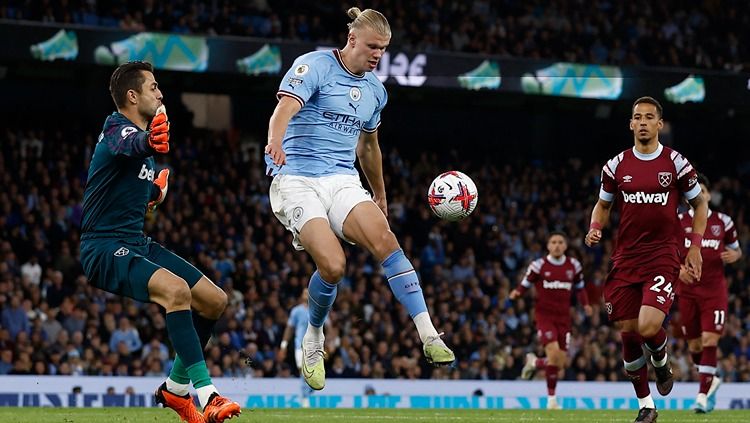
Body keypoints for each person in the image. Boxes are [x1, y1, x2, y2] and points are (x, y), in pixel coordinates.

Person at [265, 7, 454, 391]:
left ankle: (429, 334)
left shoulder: (375, 91)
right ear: (352, 39)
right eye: (372, 47)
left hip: (342, 180)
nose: (377, 55)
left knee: (386, 240)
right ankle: (314, 336)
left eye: (383, 49)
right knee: (334, 266)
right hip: (298, 178)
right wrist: (274, 141)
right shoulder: (314, 65)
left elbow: (369, 146)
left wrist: (380, 193)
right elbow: (285, 108)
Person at [79, 61, 241, 423]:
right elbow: (127, 144)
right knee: (177, 291)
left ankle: (174, 389)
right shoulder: (115, 128)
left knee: (214, 301)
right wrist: (147, 140)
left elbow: (126, 185)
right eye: (153, 87)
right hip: (103, 247)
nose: (161, 93)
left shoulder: (143, 149)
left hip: (135, 241)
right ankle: (208, 395)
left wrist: (153, 193)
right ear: (132, 95)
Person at [585, 96, 707, 423]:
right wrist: (596, 227)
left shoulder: (676, 163)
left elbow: (700, 205)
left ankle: (662, 361)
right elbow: (603, 205)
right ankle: (647, 405)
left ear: (659, 124)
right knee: (628, 332)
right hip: (626, 258)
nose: (642, 122)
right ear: (630, 124)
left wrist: (694, 247)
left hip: (663, 255)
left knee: (648, 325)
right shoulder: (615, 166)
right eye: (637, 117)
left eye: (648, 117)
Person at [677, 174, 741, 413]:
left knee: (709, 340)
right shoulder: (678, 221)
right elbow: (667, 251)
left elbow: (736, 250)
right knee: (694, 346)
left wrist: (736, 256)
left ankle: (702, 396)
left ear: (709, 195)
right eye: (695, 191)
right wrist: (678, 270)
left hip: (714, 292)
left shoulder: (723, 222)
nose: (700, 195)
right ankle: (711, 379)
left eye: (703, 191)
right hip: (687, 292)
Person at [511, 232, 592, 410]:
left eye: (560, 242)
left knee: (560, 362)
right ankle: (552, 401)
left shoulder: (574, 265)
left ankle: (534, 362)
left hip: (564, 319)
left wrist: (585, 305)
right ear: (548, 246)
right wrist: (517, 292)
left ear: (565, 246)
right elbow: (526, 282)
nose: (557, 245)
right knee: (554, 355)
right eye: (553, 242)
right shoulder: (539, 265)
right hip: (544, 317)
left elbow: (580, 288)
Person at [278, 289, 314, 407]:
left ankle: (308, 392)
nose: (307, 295)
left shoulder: (318, 309)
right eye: (304, 293)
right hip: (300, 345)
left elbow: (327, 327)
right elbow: (289, 328)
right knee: (303, 370)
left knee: (314, 375)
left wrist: (331, 343)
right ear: (301, 296)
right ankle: (305, 398)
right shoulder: (296, 311)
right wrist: (283, 346)